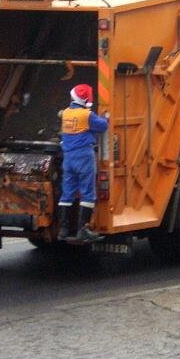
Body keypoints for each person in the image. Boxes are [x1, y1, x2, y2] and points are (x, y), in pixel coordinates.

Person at [57, 84, 109, 242]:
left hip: (68, 157)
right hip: (84, 156)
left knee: (67, 193)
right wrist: (106, 117)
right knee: (88, 193)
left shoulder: (65, 113)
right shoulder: (87, 115)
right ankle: (83, 229)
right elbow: (103, 126)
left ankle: (64, 230)